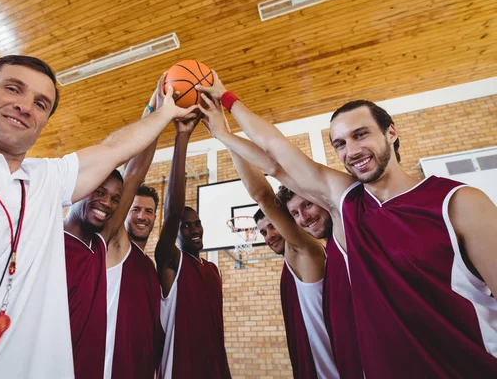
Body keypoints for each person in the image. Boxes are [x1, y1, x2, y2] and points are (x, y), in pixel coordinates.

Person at [0, 55, 197, 379]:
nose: (25, 106)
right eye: (13, 89)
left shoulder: (44, 181)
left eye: (40, 104)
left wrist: (165, 109)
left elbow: (117, 148)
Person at [197, 75, 497, 377]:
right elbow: (275, 158)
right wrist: (223, 125)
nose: (351, 151)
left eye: (361, 135)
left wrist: (226, 96)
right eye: (340, 144)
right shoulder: (347, 203)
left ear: (390, 132)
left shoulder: (458, 203)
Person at [202, 99, 349, 378]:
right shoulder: (326, 254)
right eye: (294, 213)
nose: (303, 218)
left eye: (307, 205)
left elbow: (262, 194)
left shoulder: (309, 251)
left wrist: (222, 133)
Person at [64, 79, 167, 379]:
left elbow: (135, 173)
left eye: (115, 199)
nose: (107, 203)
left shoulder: (99, 244)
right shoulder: (45, 238)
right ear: (83, 187)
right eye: (99, 192)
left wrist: (156, 110)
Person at [155, 112, 231, 379]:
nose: (193, 229)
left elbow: (216, 334)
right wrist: (182, 137)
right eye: (185, 225)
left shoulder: (212, 270)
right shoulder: (171, 262)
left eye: (196, 223)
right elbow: (173, 212)